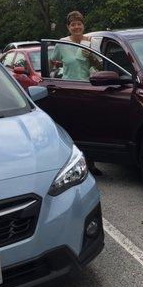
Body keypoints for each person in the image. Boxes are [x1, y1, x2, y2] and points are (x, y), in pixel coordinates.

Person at [51, 10, 103, 176]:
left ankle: (91, 163)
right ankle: (71, 165)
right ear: (68, 27)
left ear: (83, 25)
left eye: (79, 23)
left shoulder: (90, 42)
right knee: (71, 127)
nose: (76, 27)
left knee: (89, 126)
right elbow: (54, 61)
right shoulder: (62, 43)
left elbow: (101, 66)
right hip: (68, 89)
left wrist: (91, 58)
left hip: (88, 88)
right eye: (73, 24)